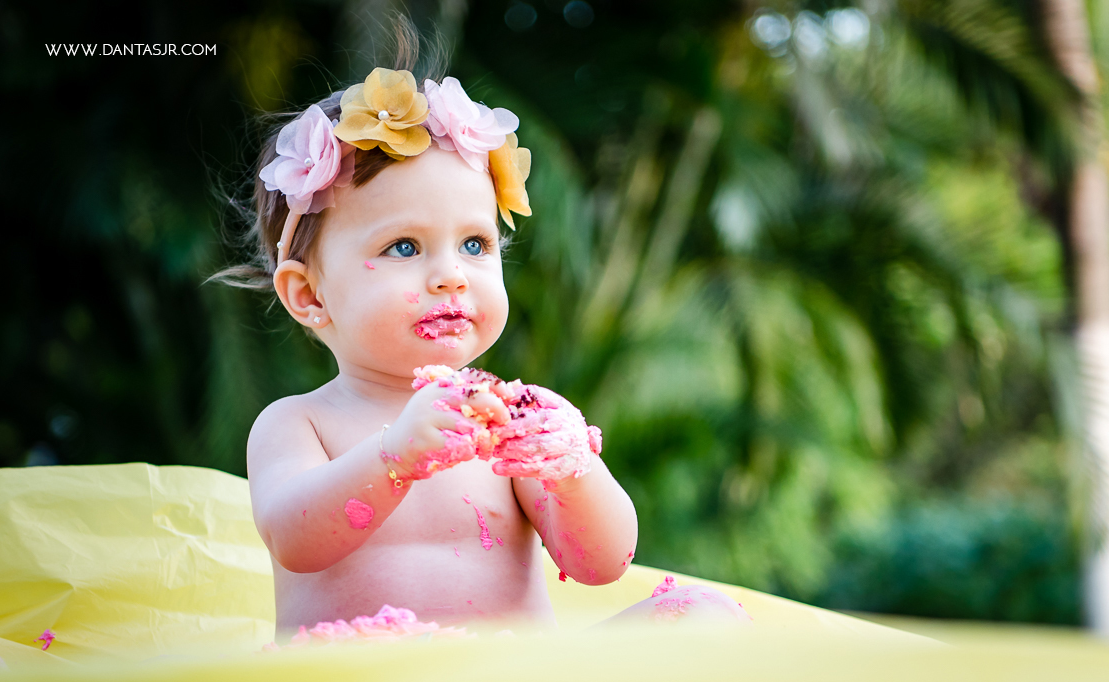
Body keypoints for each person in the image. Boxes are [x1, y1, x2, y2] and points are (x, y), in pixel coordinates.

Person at [214, 37, 750, 638]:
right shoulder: (299, 424)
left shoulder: (502, 424)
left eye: (475, 245)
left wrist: (569, 465)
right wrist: (395, 455)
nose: (451, 275)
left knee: (704, 618)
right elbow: (295, 539)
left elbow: (602, 564)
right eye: (404, 247)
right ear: (310, 295)